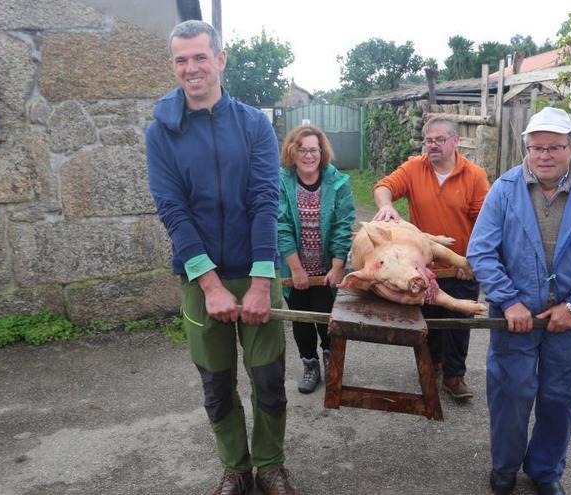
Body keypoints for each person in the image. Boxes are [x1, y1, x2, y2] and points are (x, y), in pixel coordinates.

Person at [145, 20, 298, 495]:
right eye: (181, 59)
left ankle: (270, 465)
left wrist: (258, 282)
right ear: (173, 64)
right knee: (216, 383)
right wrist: (209, 285)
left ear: (220, 59)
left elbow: (265, 201)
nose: (191, 68)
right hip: (199, 277)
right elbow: (173, 210)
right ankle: (235, 468)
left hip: (257, 270)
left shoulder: (253, 123)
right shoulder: (161, 132)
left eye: (199, 57)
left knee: (268, 380)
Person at [466, 107, 571, 495]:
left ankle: (545, 470)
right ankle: (504, 468)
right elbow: (482, 252)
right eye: (536, 147)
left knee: (559, 396)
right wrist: (507, 301)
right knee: (511, 393)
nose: (544, 155)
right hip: (515, 317)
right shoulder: (504, 191)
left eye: (554, 147)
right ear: (526, 149)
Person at [373, 116, 490, 400]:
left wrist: (469, 261)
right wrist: (387, 206)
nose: (433, 145)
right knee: (428, 319)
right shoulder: (414, 168)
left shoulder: (474, 175)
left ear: (455, 141)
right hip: (422, 267)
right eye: (429, 140)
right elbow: (383, 187)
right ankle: (432, 365)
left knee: (459, 320)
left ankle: (454, 377)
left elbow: (485, 223)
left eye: (439, 140)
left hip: (460, 266)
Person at [277, 125, 356, 394]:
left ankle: (330, 358)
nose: (308, 155)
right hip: (294, 269)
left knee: (326, 318)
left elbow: (343, 226)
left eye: (314, 149)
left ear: (321, 153)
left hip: (324, 271)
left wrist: (337, 267)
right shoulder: (281, 183)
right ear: (292, 151)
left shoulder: (338, 183)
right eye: (302, 149)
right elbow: (282, 225)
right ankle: (310, 365)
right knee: (301, 320)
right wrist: (296, 270)